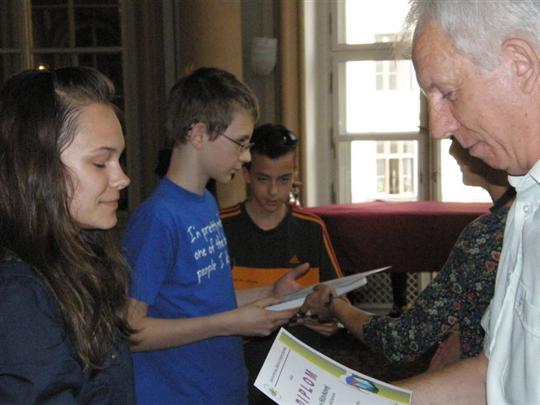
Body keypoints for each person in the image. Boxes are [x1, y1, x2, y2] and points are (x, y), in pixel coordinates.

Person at [319, 1, 540, 403]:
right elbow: (496, 373)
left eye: (448, 93)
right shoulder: (525, 206)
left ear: (519, 64)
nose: (438, 128)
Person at [123, 68, 306, 405]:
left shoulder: (206, 203)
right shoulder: (158, 218)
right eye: (241, 143)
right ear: (199, 134)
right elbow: (131, 331)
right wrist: (230, 324)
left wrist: (270, 292)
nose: (246, 156)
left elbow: (203, 300)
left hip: (221, 388)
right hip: (179, 395)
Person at [301, 138, 514, 372]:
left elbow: (403, 339)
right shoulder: (521, 216)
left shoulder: (487, 233)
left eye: (459, 139)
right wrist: (464, 331)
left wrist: (334, 305)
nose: (452, 151)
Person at [0, 67, 134, 403]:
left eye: (119, 160)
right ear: (38, 167)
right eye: (101, 163)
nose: (122, 179)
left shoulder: (84, 256)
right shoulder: (19, 295)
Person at [220, 123, 344, 404]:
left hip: (301, 372)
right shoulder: (220, 227)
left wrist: (330, 318)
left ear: (295, 176)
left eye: (284, 179)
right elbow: (206, 308)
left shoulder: (312, 228)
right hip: (238, 368)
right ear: (245, 173)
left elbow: (339, 302)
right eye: (263, 179)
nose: (274, 191)